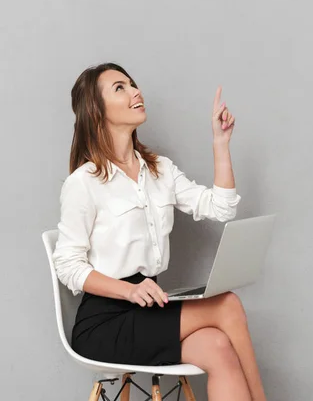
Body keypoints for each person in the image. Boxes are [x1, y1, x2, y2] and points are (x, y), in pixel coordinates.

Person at [53, 62, 267, 401]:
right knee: (227, 306)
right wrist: (126, 291)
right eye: (119, 88)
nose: (135, 91)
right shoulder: (85, 182)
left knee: (218, 346)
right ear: (97, 112)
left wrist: (220, 143)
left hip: (147, 309)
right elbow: (68, 265)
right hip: (105, 320)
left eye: (132, 84)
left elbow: (221, 208)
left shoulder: (159, 170)